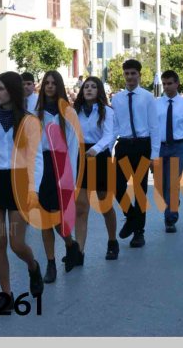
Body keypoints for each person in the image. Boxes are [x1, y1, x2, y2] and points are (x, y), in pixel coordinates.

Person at [0, 71, 44, 314]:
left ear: (13, 91)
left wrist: (33, 190)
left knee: (17, 244)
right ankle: (6, 295)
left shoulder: (30, 121)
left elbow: (36, 159)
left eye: (1, 88)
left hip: (19, 182)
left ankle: (33, 266)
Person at [36, 70, 81, 282]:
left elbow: (73, 147)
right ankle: (51, 263)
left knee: (57, 219)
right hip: (42, 166)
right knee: (45, 219)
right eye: (47, 83)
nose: (50, 86)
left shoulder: (68, 113)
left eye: (54, 83)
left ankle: (71, 245)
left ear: (59, 86)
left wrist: (69, 178)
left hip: (62, 165)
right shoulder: (35, 113)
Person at [111, 59, 161, 249]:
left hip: (142, 146)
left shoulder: (147, 97)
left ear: (139, 75)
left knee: (140, 190)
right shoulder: (117, 98)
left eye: (133, 73)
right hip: (123, 145)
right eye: (127, 73)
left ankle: (139, 232)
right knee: (116, 186)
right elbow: (114, 127)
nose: (130, 77)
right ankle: (131, 217)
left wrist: (154, 156)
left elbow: (154, 127)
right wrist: (107, 148)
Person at [73, 77, 118, 260]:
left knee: (105, 204)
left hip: (99, 157)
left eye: (93, 87)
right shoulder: (75, 111)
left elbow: (109, 135)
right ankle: (79, 251)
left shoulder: (106, 111)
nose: (89, 89)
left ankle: (112, 241)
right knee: (81, 207)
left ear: (99, 90)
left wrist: (95, 149)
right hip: (81, 156)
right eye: (86, 87)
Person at [156, 70, 183, 233]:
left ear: (177, 83)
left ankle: (170, 218)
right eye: (164, 84)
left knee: (172, 184)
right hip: (159, 147)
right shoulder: (156, 104)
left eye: (170, 83)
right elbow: (152, 128)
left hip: (177, 147)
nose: (166, 87)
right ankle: (172, 201)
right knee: (160, 185)